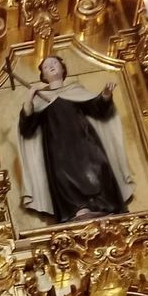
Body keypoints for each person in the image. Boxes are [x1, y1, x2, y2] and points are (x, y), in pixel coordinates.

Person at [17, 56, 135, 220]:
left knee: (98, 168)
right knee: (63, 177)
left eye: (54, 63)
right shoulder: (40, 99)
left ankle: (104, 206)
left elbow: (98, 109)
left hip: (85, 141)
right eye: (46, 66)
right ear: (43, 76)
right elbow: (27, 127)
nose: (51, 66)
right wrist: (29, 99)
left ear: (63, 69)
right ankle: (78, 209)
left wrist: (106, 95)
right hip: (58, 148)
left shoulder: (76, 91)